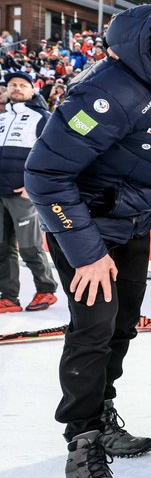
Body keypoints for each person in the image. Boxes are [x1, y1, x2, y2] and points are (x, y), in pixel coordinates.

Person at [26, 0, 151, 478]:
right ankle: (81, 448)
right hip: (82, 227)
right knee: (94, 327)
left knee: (123, 324)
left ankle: (103, 414)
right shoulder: (111, 91)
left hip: (130, 226)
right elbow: (44, 173)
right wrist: (87, 252)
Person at [0, 70, 57, 312]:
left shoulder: (42, 117)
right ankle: (9, 296)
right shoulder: (1, 118)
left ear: (32, 90)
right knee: (2, 247)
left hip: (22, 193)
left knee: (30, 247)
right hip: (0, 193)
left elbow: (52, 155)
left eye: (23, 85)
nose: (17, 88)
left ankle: (45, 290)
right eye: (12, 84)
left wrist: (32, 186)